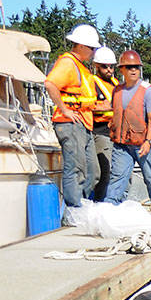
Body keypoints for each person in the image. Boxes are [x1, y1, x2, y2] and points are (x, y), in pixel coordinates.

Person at [104, 49, 151, 218]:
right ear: (122, 70)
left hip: (142, 144)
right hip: (122, 144)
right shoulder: (116, 90)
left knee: (150, 178)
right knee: (117, 178)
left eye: (136, 67)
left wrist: (148, 142)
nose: (133, 70)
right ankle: (110, 212)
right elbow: (112, 110)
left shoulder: (148, 91)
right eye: (129, 67)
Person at [43, 24, 100, 209]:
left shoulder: (81, 67)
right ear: (81, 46)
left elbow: (86, 98)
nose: (93, 52)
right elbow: (50, 84)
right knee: (75, 169)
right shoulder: (68, 63)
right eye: (92, 48)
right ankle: (74, 210)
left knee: (92, 171)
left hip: (84, 123)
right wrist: (65, 109)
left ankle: (81, 204)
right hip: (70, 122)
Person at [88, 47, 119, 201]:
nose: (109, 70)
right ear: (96, 66)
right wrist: (103, 106)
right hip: (100, 132)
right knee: (103, 172)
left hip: (115, 133)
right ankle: (98, 203)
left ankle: (112, 203)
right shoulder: (92, 83)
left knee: (117, 172)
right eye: (105, 66)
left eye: (111, 66)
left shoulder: (115, 83)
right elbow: (86, 105)